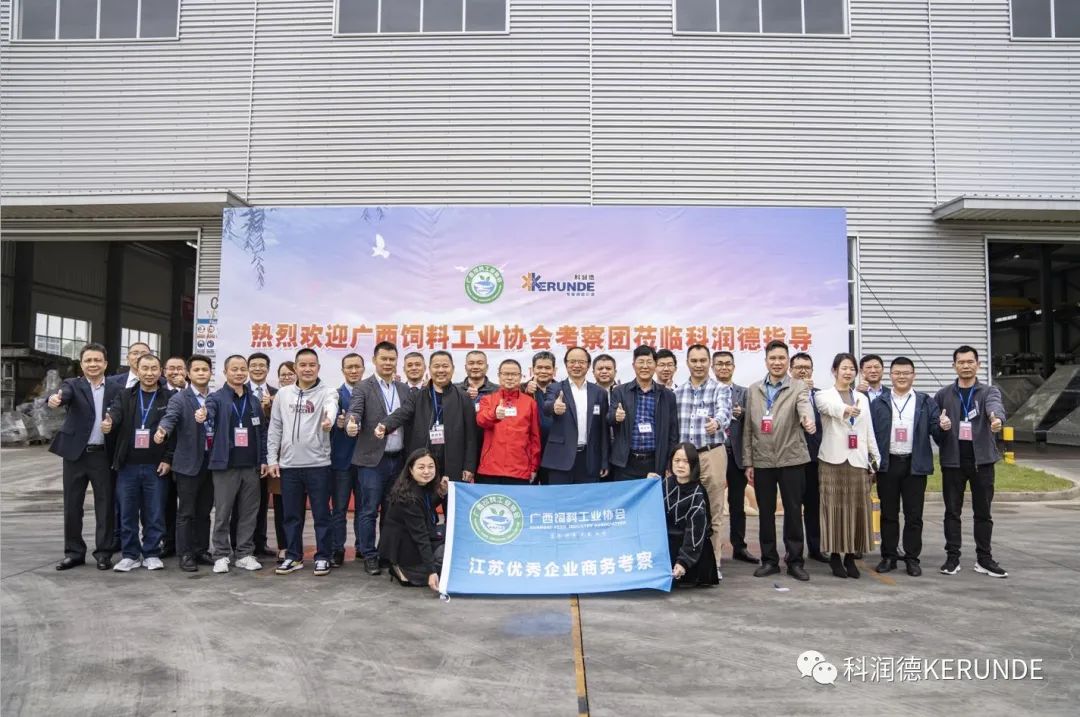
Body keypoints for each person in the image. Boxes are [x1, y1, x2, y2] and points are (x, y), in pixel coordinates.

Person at [742, 340, 816, 581]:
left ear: (788, 361)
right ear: (766, 361)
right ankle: (769, 560)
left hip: (791, 459)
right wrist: (749, 461)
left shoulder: (798, 387)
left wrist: (808, 420)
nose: (777, 362)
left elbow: (805, 407)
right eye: (772, 358)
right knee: (765, 513)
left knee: (793, 512)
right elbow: (748, 429)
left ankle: (795, 561)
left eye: (781, 358)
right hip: (762, 461)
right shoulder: (754, 390)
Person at [934, 346, 1008, 578]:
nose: (965, 366)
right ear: (954, 365)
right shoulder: (943, 394)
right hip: (953, 461)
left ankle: (984, 559)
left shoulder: (988, 391)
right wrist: (941, 426)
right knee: (952, 512)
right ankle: (952, 558)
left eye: (970, 362)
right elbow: (935, 429)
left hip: (982, 461)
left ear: (978, 364)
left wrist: (996, 419)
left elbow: (995, 408)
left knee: (983, 513)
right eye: (961, 362)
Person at [48, 343, 121, 571]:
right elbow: (63, 396)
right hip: (75, 455)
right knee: (72, 506)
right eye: (88, 360)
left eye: (97, 360)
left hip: (103, 455)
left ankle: (104, 553)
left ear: (105, 364)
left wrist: (113, 422)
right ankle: (74, 552)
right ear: (82, 364)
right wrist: (55, 399)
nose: (93, 364)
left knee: (105, 506)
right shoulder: (72, 385)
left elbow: (120, 411)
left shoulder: (116, 388)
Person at [266, 348, 338, 577]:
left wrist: (329, 419)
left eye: (312, 365)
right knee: (291, 516)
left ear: (318, 367)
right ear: (295, 368)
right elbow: (275, 427)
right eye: (303, 365)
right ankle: (293, 556)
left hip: (319, 465)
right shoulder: (283, 394)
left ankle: (323, 556)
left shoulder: (328, 392)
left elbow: (332, 406)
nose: (307, 369)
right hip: (289, 466)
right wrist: (272, 459)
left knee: (321, 515)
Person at [102, 354, 175, 572]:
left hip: (156, 466)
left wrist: (167, 458)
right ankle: (130, 555)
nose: (149, 373)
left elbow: (176, 431)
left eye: (154, 369)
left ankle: (152, 552)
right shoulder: (125, 395)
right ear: (137, 369)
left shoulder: (169, 397)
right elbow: (115, 414)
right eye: (145, 368)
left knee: (155, 512)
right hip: (128, 466)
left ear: (160, 371)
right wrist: (109, 423)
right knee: (127, 512)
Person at [870, 357, 942, 577]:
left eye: (906, 373)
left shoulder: (925, 402)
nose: (901, 377)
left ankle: (912, 558)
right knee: (888, 514)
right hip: (888, 464)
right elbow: (870, 434)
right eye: (897, 373)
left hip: (914, 465)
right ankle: (889, 557)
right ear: (890, 375)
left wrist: (943, 426)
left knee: (914, 515)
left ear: (913, 375)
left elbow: (936, 432)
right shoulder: (879, 402)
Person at [345, 342, 411, 575]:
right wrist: (352, 423)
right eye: (384, 359)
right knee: (369, 510)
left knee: (391, 510)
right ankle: (369, 554)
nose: (388, 363)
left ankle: (385, 553)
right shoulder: (363, 387)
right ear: (374, 360)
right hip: (372, 461)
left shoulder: (403, 389)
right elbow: (355, 410)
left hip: (398, 460)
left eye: (392, 359)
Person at [814, 353, 880, 579]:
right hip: (832, 460)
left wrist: (875, 458)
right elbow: (828, 408)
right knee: (833, 509)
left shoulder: (862, 398)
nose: (848, 372)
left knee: (857, 509)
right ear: (834, 371)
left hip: (858, 460)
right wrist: (846, 410)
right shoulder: (823, 395)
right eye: (844, 368)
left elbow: (868, 430)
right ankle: (834, 556)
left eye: (852, 368)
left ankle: (851, 556)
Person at [203, 355, 267, 574]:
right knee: (223, 513)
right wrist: (204, 414)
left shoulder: (254, 400)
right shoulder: (216, 398)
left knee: (249, 513)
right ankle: (221, 554)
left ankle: (244, 553)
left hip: (251, 467)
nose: (239, 373)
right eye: (234, 369)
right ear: (225, 372)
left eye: (242, 369)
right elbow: (209, 412)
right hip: (226, 466)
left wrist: (263, 459)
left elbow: (262, 432)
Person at [377, 351, 478, 488]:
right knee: (422, 499)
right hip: (424, 461)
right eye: (436, 366)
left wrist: (469, 466)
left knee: (449, 499)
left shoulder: (463, 397)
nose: (441, 370)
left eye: (445, 366)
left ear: (453, 369)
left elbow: (471, 436)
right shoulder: (417, 396)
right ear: (429, 369)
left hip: (453, 462)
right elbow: (402, 413)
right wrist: (385, 425)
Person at [155, 354, 216, 572]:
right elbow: (170, 417)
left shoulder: (215, 398)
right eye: (196, 370)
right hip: (188, 463)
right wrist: (163, 430)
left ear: (210, 373)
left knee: (204, 511)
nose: (201, 373)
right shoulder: (179, 399)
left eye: (205, 369)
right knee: (186, 512)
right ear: (188, 374)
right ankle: (186, 553)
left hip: (211, 463)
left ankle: (201, 550)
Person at [674, 344, 731, 569]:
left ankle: (713, 563)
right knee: (684, 509)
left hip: (711, 453)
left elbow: (724, 412)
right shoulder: (677, 393)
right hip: (685, 458)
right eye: (694, 361)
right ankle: (684, 562)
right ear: (687, 363)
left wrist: (716, 422)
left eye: (703, 360)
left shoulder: (720, 389)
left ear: (710, 363)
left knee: (713, 510)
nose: (699, 365)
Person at [380, 448, 448, 592]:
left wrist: (441, 493)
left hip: (410, 538)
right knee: (447, 559)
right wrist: (431, 572)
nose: (427, 471)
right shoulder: (410, 499)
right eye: (421, 467)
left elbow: (425, 507)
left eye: (431, 467)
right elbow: (421, 537)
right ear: (411, 469)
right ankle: (406, 572)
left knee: (450, 535)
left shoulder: (417, 486)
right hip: (406, 547)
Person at [712, 350, 757, 564]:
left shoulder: (745, 393)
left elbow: (754, 423)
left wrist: (743, 413)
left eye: (727, 363)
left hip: (737, 454)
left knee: (737, 504)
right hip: (714, 452)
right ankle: (710, 546)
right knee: (711, 502)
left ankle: (739, 547)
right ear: (713, 367)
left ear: (733, 367)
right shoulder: (708, 391)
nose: (724, 367)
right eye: (719, 364)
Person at [608, 345, 679, 481]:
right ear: (633, 365)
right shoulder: (620, 391)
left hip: (655, 461)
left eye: (649, 362)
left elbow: (673, 433)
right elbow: (609, 418)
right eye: (641, 362)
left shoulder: (667, 395)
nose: (645, 366)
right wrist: (616, 417)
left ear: (655, 365)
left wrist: (669, 462)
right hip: (626, 462)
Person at [542, 347, 610, 484]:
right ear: (566, 364)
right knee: (560, 497)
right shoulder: (555, 388)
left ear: (588, 365)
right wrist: (554, 407)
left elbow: (604, 430)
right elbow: (546, 406)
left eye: (581, 362)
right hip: (561, 459)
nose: (577, 365)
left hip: (590, 459)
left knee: (587, 497)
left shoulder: (599, 392)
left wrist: (604, 461)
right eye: (572, 361)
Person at [475, 359, 541, 484]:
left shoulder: (530, 403)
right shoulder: (487, 400)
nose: (510, 378)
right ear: (499, 376)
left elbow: (534, 437)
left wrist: (534, 467)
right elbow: (481, 420)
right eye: (505, 374)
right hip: (491, 469)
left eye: (514, 374)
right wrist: (494, 414)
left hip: (520, 469)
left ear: (520, 377)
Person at [664, 443, 720, 587]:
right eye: (677, 460)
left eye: (686, 461)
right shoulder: (666, 484)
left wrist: (683, 562)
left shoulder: (698, 492)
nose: (680, 465)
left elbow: (696, 532)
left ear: (694, 464)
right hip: (670, 544)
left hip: (692, 550)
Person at [790, 351, 827, 563]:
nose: (803, 371)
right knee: (793, 507)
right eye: (798, 367)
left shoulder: (821, 396)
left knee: (814, 506)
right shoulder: (784, 394)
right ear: (791, 370)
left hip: (815, 459)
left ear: (812, 371)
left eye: (806, 367)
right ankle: (793, 551)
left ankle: (816, 548)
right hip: (792, 459)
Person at [328, 352, 364, 566]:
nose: (353, 370)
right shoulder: (335, 395)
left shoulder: (370, 393)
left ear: (363, 369)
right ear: (343, 371)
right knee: (339, 508)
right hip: (341, 462)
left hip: (365, 461)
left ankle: (362, 547)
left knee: (364, 509)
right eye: (349, 367)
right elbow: (325, 423)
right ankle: (337, 549)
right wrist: (336, 424)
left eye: (357, 366)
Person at [245, 351, 276, 559]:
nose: (258, 368)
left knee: (262, 503)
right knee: (242, 505)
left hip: (266, 457)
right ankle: (241, 544)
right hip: (244, 456)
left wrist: (269, 409)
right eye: (254, 365)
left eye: (262, 365)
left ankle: (260, 543)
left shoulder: (277, 394)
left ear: (268, 368)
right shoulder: (238, 391)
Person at [268, 359, 298, 557]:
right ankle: (283, 546)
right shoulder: (273, 399)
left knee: (298, 507)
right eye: (283, 375)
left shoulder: (309, 396)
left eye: (290, 374)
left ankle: (296, 545)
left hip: (305, 460)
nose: (287, 377)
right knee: (281, 506)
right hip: (280, 459)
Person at [159, 355, 188, 558]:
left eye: (180, 368)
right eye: (171, 368)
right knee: (166, 503)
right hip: (163, 458)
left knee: (188, 505)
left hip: (188, 457)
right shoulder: (158, 393)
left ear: (186, 372)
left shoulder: (193, 393)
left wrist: (185, 387)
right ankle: (168, 542)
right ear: (164, 372)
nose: (176, 372)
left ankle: (188, 545)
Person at [523, 350, 558, 482]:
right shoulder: (520, 389)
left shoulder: (562, 390)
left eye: (547, 368)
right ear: (532, 370)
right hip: (528, 451)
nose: (543, 371)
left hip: (554, 451)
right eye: (539, 367)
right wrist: (525, 393)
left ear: (554, 370)